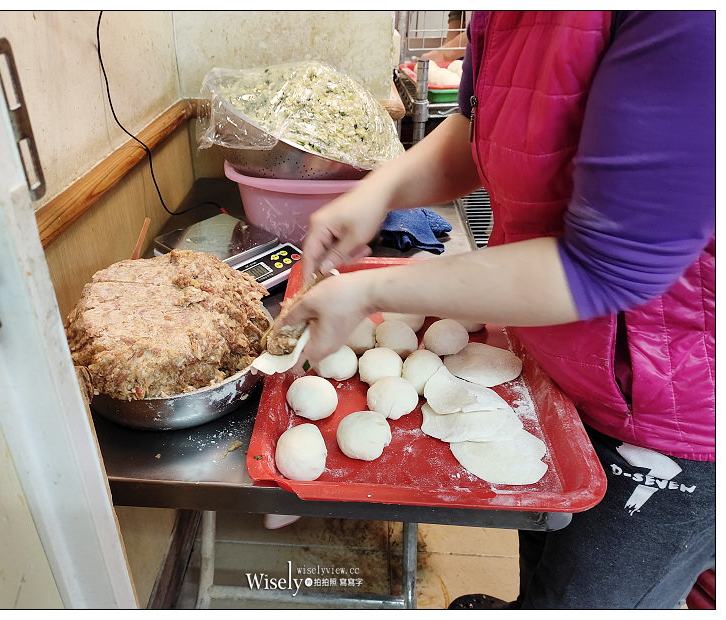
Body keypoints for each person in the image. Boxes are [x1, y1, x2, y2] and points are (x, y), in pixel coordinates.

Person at [273, 11, 715, 609]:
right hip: (562, 366)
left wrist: (371, 291)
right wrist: (377, 191)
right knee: (545, 560)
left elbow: (612, 263)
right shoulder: (501, 16)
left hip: (677, 406)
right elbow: (475, 132)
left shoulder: (684, 23)